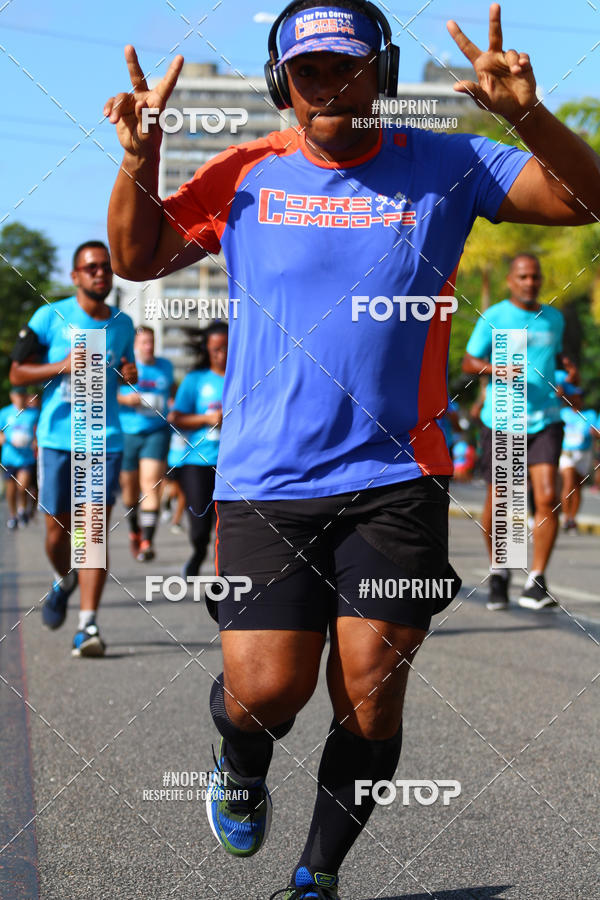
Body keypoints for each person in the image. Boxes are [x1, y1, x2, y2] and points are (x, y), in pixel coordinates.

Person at [105, 0, 600, 894]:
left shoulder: (449, 164)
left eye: (347, 65)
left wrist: (526, 114)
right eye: (309, 71)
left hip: (397, 475)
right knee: (266, 691)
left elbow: (587, 198)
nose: (329, 84)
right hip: (266, 479)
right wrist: (139, 161)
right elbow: (138, 260)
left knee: (371, 689)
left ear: (384, 72)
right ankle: (241, 759)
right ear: (280, 83)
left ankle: (316, 877)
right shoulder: (245, 172)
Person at [9, 241, 136, 657]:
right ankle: (62, 580)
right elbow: (17, 372)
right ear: (76, 276)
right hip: (57, 441)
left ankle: (88, 626)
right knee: (56, 531)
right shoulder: (50, 316)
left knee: (91, 533)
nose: (101, 273)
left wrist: (130, 372)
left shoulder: (123, 324)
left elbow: (126, 369)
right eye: (92, 267)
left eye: (106, 267)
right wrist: (61, 366)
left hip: (104, 440)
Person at [463, 254, 573, 611]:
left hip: (545, 420)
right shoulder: (495, 316)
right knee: (502, 502)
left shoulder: (554, 318)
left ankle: (536, 580)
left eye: (535, 277)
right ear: (510, 280)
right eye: (523, 277)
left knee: (545, 496)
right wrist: (495, 368)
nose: (530, 283)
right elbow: (469, 362)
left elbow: (554, 360)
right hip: (504, 419)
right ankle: (500, 570)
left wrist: (565, 376)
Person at [167, 323, 227, 578]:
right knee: (200, 524)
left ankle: (222, 571)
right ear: (207, 350)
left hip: (233, 461)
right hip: (198, 460)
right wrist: (206, 419)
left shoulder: (243, 377)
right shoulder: (196, 380)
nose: (221, 355)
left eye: (226, 348)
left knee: (227, 524)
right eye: (215, 350)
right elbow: (176, 417)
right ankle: (198, 551)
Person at [118, 325, 174, 561]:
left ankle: (147, 542)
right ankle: (134, 529)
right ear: (134, 346)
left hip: (157, 431)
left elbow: (170, 393)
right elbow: (109, 393)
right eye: (143, 343)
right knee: (130, 492)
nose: (148, 346)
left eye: (151, 341)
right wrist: (125, 398)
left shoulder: (166, 367)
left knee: (151, 484)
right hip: (128, 432)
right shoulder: (126, 367)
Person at [556, 372, 599, 531]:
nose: (578, 398)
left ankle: (573, 518)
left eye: (580, 396)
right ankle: (566, 517)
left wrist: (595, 432)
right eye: (575, 395)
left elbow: (597, 431)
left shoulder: (590, 414)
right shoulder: (563, 413)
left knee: (577, 487)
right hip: (567, 453)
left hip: (584, 453)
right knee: (568, 483)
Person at [0, 386, 39, 529]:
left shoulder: (33, 413)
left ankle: (22, 510)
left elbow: (38, 432)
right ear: (12, 396)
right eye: (18, 395)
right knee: (10, 490)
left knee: (22, 487)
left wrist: (35, 441)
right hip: (9, 458)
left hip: (26, 458)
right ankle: (13, 515)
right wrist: (3, 438)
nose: (21, 398)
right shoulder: (5, 413)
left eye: (23, 395)